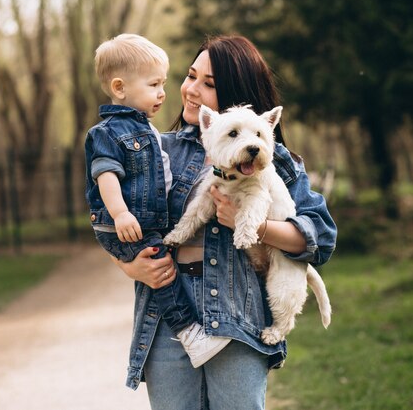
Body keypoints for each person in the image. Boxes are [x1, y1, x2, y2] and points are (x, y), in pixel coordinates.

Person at [113, 35, 337, 410]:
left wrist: (256, 226)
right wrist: (129, 265)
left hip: (238, 316)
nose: (191, 90)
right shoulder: (157, 149)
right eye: (190, 76)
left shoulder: (275, 161)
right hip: (169, 312)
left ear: (237, 95)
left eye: (209, 84)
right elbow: (116, 219)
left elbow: (321, 238)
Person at [84, 34, 231, 368]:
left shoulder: (146, 129)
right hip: (128, 220)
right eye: (153, 85)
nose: (164, 93)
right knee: (162, 269)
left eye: (163, 83)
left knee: (160, 262)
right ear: (120, 88)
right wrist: (121, 221)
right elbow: (105, 175)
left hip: (141, 220)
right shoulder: (109, 132)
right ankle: (188, 331)